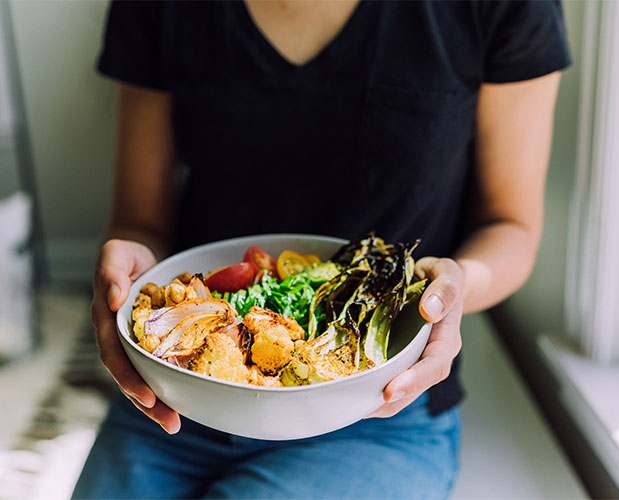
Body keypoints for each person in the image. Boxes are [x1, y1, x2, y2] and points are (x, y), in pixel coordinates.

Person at [73, 1, 571, 498]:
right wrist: (129, 271)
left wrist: (454, 287)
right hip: (177, 397)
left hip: (377, 412)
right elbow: (141, 221)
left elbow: (511, 227)